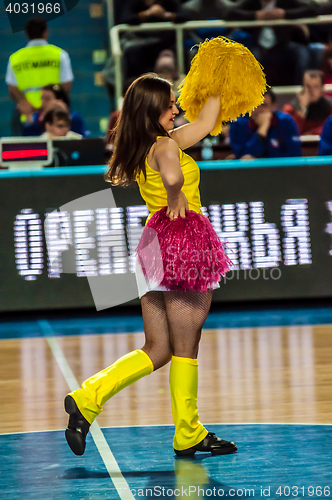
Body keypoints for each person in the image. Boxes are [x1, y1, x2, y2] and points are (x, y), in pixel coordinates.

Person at [64, 73, 237, 457]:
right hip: (180, 244)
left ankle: (87, 398)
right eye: (171, 104)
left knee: (158, 348)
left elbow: (208, 123)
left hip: (152, 247)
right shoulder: (164, 146)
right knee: (185, 347)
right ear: (153, 110)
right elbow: (173, 176)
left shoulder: (151, 144)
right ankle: (188, 432)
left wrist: (217, 77)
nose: (176, 108)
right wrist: (176, 194)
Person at [224, 0, 319, 85]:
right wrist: (255, 15)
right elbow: (229, 13)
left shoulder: (286, 2)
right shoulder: (251, 2)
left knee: (302, 53)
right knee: (248, 58)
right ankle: (252, 96)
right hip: (257, 45)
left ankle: (299, 91)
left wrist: (284, 14)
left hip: (282, 45)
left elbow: (313, 9)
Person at [6, 17, 74, 132]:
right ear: (45, 32)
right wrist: (51, 103)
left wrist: (27, 105)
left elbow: (12, 89)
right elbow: (66, 86)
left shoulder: (15, 58)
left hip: (27, 115)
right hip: (55, 115)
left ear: (27, 34)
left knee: (25, 148)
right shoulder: (59, 54)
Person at [230, 89, 302, 158]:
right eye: (255, 106)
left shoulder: (286, 122)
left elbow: (294, 155)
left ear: (273, 107)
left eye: (264, 105)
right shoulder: (238, 124)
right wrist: (262, 129)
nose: (259, 110)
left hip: (281, 170)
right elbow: (243, 158)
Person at [22, 84, 89, 137]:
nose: (43, 102)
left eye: (47, 99)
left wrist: (65, 114)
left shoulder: (74, 117)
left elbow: (82, 137)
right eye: (42, 98)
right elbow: (28, 141)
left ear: (59, 100)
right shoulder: (35, 117)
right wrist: (29, 118)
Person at [283, 69, 332, 135]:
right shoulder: (290, 109)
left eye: (316, 87)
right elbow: (290, 133)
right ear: (302, 87)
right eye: (308, 86)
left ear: (322, 88)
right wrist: (303, 107)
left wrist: (312, 133)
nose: (311, 91)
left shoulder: (330, 106)